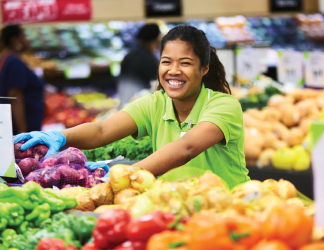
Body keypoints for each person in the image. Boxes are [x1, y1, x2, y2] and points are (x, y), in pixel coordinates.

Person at [14, 25, 250, 188]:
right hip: (178, 209)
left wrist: (125, 173)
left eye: (185, 63)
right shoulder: (155, 103)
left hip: (229, 209)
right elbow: (102, 131)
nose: (174, 71)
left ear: (204, 69)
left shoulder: (223, 105)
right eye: (166, 62)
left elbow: (186, 148)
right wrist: (59, 136)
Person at [0, 24, 44, 134]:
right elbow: (15, 96)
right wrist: (22, 131)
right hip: (21, 127)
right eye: (24, 37)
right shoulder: (15, 62)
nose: (27, 40)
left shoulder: (6, 58)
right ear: (15, 40)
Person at [117, 23, 161, 106]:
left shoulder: (128, 56)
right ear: (155, 41)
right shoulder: (150, 59)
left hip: (125, 104)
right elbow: (156, 86)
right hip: (141, 106)